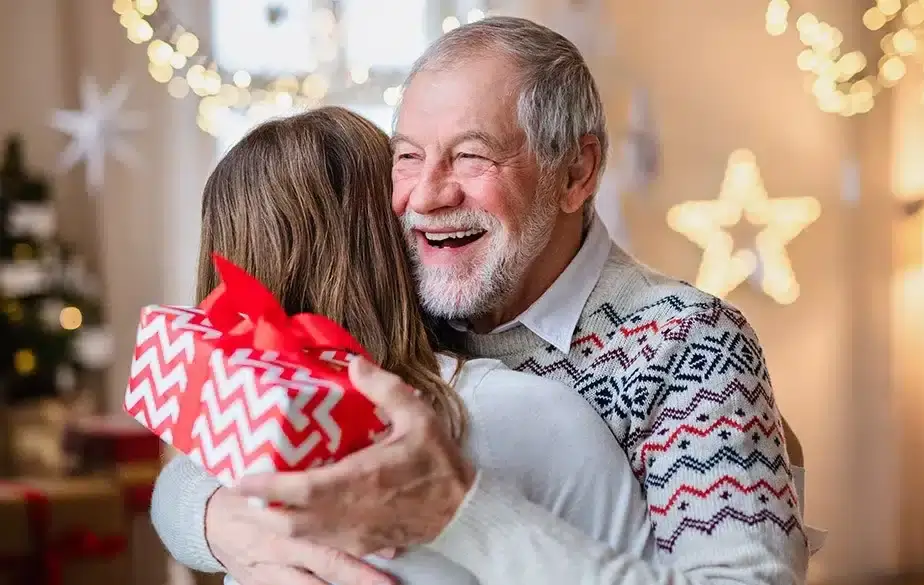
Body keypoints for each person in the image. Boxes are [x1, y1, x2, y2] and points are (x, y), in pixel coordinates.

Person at [152, 15, 818, 585]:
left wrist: (463, 512)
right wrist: (221, 524)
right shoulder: (408, 297)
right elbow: (190, 470)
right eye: (408, 157)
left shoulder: (689, 343)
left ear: (576, 171)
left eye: (471, 156)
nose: (428, 196)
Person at [162, 105, 659, 585]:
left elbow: (175, 486)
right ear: (393, 232)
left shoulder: (232, 431)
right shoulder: (522, 412)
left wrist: (205, 518)